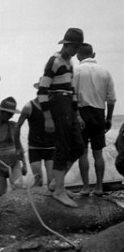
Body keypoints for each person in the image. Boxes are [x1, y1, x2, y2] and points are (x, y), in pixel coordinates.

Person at [37, 28, 85, 208]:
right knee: (62, 145)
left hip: (68, 105)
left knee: (78, 146)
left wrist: (77, 113)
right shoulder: (54, 61)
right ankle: (58, 190)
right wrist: (48, 117)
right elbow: (42, 90)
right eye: (74, 47)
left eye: (78, 47)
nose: (75, 51)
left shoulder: (70, 63)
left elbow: (72, 90)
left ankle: (57, 183)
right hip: (56, 102)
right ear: (67, 44)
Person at [73, 43, 117, 196]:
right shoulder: (105, 72)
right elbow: (111, 99)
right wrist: (109, 118)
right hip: (99, 112)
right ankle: (99, 187)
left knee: (83, 152)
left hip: (81, 112)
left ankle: (85, 187)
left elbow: (73, 96)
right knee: (98, 153)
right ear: (94, 54)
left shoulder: (76, 70)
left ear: (78, 55)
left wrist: (77, 115)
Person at [15, 80, 55, 187]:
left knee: (52, 182)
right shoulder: (29, 106)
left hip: (51, 147)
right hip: (35, 148)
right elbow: (17, 126)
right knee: (38, 181)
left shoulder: (53, 106)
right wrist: (18, 147)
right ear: (39, 91)